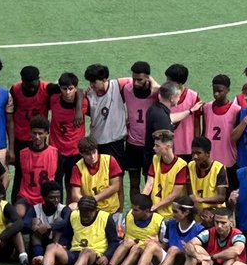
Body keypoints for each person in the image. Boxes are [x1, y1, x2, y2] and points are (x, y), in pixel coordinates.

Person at [31, 195, 119, 265]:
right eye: (82, 214)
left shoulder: (105, 218)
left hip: (94, 260)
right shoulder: (74, 215)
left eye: (88, 214)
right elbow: (67, 235)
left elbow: (114, 241)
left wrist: (106, 256)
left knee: (87, 251)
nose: (84, 217)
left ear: (95, 210)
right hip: (74, 254)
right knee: (52, 247)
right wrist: (63, 244)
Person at [134, 196, 203, 265]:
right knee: (152, 245)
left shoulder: (199, 229)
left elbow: (198, 255)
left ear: (186, 212)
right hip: (168, 263)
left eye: (175, 211)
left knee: (174, 249)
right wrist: (156, 243)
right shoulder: (170, 224)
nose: (172, 214)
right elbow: (165, 246)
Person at [182, 208, 246, 265]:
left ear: (231, 222)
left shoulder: (238, 235)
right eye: (217, 222)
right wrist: (198, 256)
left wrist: (211, 257)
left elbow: (236, 251)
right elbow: (190, 244)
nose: (219, 226)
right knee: (195, 248)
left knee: (231, 257)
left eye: (223, 223)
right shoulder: (209, 232)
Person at [107, 194, 164, 265]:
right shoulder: (129, 216)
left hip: (147, 258)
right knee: (128, 242)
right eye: (132, 208)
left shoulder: (159, 221)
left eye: (136, 210)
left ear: (146, 211)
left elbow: (165, 246)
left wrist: (157, 243)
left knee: (136, 248)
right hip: (129, 252)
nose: (132, 212)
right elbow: (124, 234)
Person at [84, 63, 130, 176]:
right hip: (97, 143)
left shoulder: (117, 86)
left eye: (94, 82)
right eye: (90, 82)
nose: (91, 85)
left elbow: (136, 79)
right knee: (100, 177)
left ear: (104, 79)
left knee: (117, 177)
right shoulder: (89, 95)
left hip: (115, 142)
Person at [122, 62, 160, 195]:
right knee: (134, 183)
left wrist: (154, 85)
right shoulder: (127, 90)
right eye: (134, 79)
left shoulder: (157, 94)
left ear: (148, 78)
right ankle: (135, 208)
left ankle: (150, 207)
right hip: (132, 145)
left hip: (150, 146)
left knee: (150, 183)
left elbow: (170, 97)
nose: (136, 83)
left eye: (140, 80)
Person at [11, 115, 60, 218]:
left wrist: (59, 204)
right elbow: (17, 180)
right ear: (30, 133)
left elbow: (58, 182)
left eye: (40, 133)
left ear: (47, 133)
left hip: (46, 198)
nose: (37, 136)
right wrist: (14, 201)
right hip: (25, 197)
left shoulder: (55, 154)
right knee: (18, 213)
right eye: (34, 133)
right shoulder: (22, 154)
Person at [47, 72, 88, 182]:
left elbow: (81, 92)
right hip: (56, 150)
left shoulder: (84, 103)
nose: (67, 92)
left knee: (73, 185)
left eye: (70, 89)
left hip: (75, 151)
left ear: (75, 88)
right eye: (64, 89)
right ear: (60, 88)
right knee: (55, 183)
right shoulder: (54, 99)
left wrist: (78, 109)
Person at [69, 136, 123, 216]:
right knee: (72, 206)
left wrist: (95, 198)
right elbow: (75, 194)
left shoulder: (109, 160)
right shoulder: (77, 167)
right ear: (81, 154)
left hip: (110, 209)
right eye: (88, 154)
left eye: (94, 152)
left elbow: (116, 186)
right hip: (91, 210)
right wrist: (89, 204)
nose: (92, 157)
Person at [142, 129, 189, 219]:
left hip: (172, 214)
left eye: (157, 146)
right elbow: (149, 184)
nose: (154, 148)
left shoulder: (181, 165)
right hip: (156, 211)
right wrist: (141, 201)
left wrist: (155, 206)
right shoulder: (155, 159)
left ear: (168, 147)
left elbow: (174, 194)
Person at [9, 65, 49, 162]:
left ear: (38, 79)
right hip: (20, 138)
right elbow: (10, 115)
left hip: (38, 137)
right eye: (28, 86)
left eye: (33, 86)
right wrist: (11, 149)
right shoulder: (15, 90)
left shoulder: (46, 88)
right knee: (20, 167)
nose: (31, 89)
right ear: (22, 81)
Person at [201, 74, 241, 172]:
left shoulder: (236, 110)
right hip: (210, 158)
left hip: (229, 158)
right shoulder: (206, 108)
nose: (216, 94)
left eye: (220, 91)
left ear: (228, 90)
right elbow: (205, 132)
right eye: (214, 90)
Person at [25, 180, 68, 264]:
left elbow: (67, 221)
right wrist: (33, 226)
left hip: (57, 243)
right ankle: (38, 257)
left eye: (58, 197)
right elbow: (24, 224)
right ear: (44, 197)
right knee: (36, 221)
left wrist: (49, 226)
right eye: (52, 197)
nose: (56, 200)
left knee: (59, 221)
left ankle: (54, 254)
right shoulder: (35, 209)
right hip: (40, 242)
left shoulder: (63, 209)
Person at [164, 64, 202, 158]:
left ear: (180, 82)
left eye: (169, 81)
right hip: (167, 147)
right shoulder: (163, 95)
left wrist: (196, 144)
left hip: (187, 146)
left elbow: (197, 122)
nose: (167, 82)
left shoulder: (193, 96)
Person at [187, 136, 228, 212]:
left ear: (208, 153)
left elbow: (221, 197)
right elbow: (191, 194)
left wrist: (202, 200)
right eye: (193, 153)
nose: (194, 157)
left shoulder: (218, 168)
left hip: (216, 212)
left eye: (198, 153)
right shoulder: (190, 166)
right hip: (198, 211)